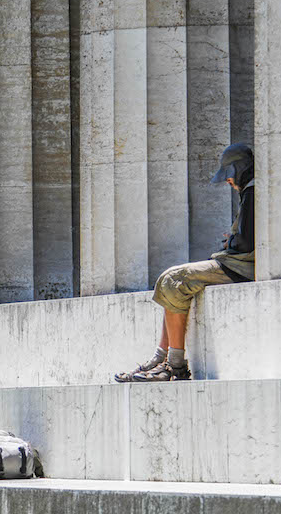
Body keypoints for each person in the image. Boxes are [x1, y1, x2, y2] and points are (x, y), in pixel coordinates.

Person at [114, 143, 255, 382]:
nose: (228, 181)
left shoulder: (252, 191)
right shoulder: (249, 191)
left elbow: (245, 242)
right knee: (170, 282)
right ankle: (160, 358)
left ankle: (174, 366)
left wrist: (232, 241)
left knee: (174, 279)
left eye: (229, 175)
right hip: (237, 263)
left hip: (241, 266)